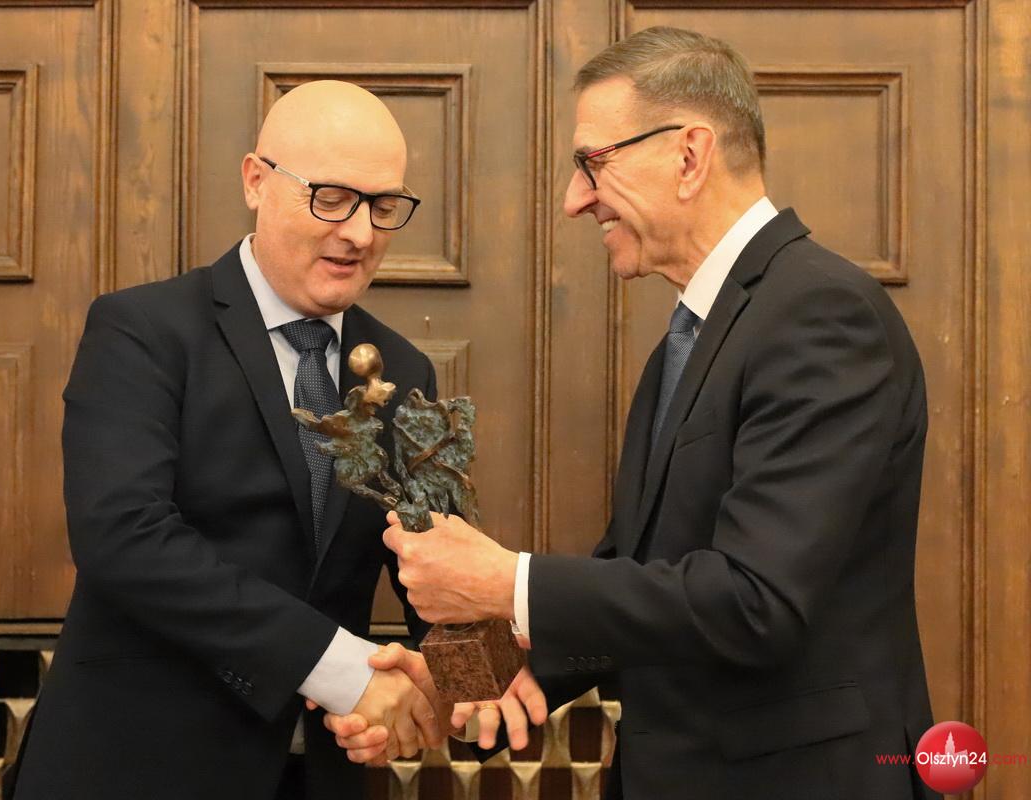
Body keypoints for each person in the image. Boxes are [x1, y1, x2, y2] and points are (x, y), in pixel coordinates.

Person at [367, 27, 940, 799]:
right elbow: (648, 575)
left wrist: (508, 582)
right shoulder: (695, 333)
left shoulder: (821, 314)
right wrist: (503, 675)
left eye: (592, 163)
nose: (575, 199)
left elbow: (755, 603)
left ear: (689, 156)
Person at [9, 80, 450, 800]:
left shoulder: (403, 369)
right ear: (255, 180)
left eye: (383, 206)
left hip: (321, 774)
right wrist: (342, 671)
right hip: (135, 770)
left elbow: (434, 564)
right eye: (332, 198)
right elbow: (124, 536)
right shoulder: (142, 331)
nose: (361, 234)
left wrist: (469, 686)